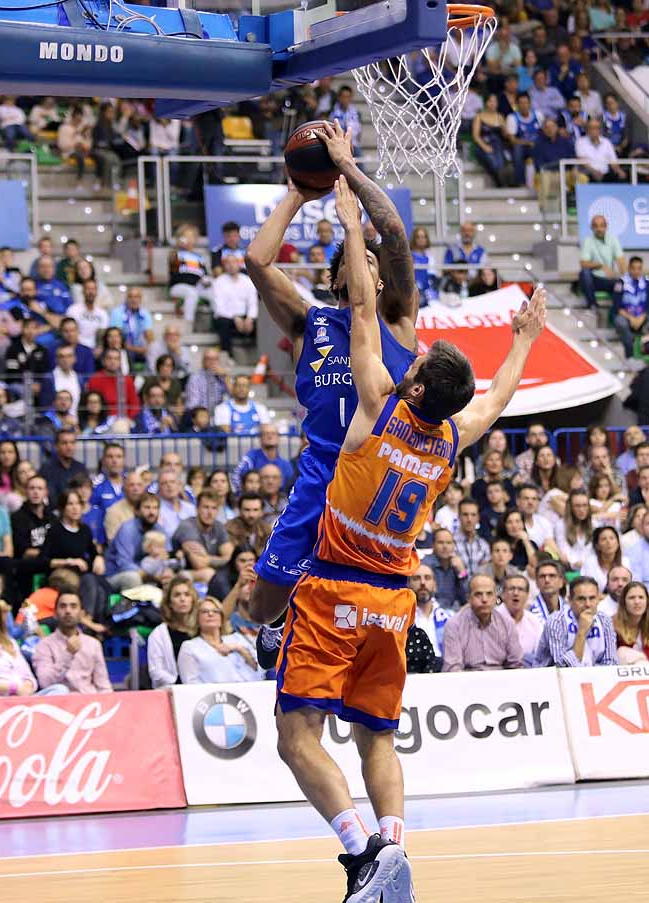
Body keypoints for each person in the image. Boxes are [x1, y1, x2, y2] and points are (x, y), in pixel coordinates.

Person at [272, 178, 547, 903]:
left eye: (417, 366)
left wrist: (352, 225)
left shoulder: (376, 406)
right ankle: (395, 849)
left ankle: (362, 852)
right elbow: (498, 396)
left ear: (416, 387)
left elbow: (361, 306)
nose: (410, 360)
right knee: (376, 739)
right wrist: (525, 340)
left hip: (336, 584)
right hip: (395, 603)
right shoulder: (454, 437)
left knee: (296, 735)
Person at [245, 121, 419, 670]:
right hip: (321, 469)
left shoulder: (399, 321)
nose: (365, 261)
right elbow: (256, 262)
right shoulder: (311, 322)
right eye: (353, 259)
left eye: (370, 261)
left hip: (374, 474)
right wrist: (297, 194)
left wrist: (347, 167)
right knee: (259, 605)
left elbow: (391, 231)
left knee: (363, 594)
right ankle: (293, 619)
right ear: (336, 277)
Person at [31, 592, 113, 694]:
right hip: (60, 703)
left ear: (81, 614)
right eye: (63, 606)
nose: (68, 611)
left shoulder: (93, 644)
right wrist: (67, 655)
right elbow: (45, 683)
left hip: (89, 703)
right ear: (55, 614)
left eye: (73, 606)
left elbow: (103, 685)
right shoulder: (44, 645)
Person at [440, 575, 523, 672]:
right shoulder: (454, 625)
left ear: (496, 597)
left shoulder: (507, 624)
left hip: (501, 681)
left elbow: (516, 665)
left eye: (489, 594)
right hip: (467, 681)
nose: (484, 599)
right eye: (478, 594)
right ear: (468, 598)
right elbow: (453, 668)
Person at [534, 575, 617, 667]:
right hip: (550, 678)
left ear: (599, 599)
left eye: (592, 598)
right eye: (581, 599)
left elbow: (611, 662)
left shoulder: (604, 620)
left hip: (594, 678)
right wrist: (581, 632)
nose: (588, 604)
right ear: (570, 600)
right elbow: (563, 668)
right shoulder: (556, 622)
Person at [177, 596, 263, 684]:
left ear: (221, 617)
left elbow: (259, 668)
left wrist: (239, 649)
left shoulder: (237, 639)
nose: (211, 614)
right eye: (205, 612)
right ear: (196, 618)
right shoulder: (189, 647)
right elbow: (190, 683)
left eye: (215, 611)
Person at [146, 576, 198, 688]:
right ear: (169, 602)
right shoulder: (158, 634)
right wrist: (178, 684)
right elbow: (156, 671)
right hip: (173, 690)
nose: (182, 599)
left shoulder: (201, 628)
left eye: (187, 594)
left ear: (193, 600)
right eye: (177, 595)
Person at [613, 581, 649, 664]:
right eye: (632, 598)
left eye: (641, 597)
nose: (637, 602)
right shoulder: (612, 625)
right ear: (624, 602)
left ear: (647, 602)